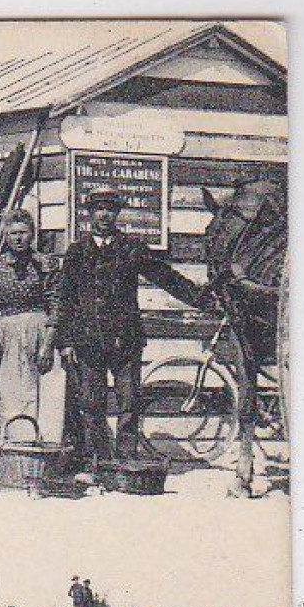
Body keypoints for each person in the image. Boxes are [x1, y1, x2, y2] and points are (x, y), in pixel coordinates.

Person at [53, 184, 208, 465]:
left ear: (118, 213)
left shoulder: (132, 248)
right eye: (99, 209)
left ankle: (126, 462)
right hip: (88, 343)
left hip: (126, 342)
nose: (104, 215)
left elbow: (165, 276)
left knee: (129, 405)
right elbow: (65, 300)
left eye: (110, 209)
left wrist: (200, 297)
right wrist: (64, 343)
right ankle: (99, 461)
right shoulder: (76, 252)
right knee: (92, 406)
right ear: (89, 214)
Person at [0, 209, 58, 438]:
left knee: (43, 389)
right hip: (6, 333)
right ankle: (11, 441)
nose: (18, 238)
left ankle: (41, 444)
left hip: (39, 331)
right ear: (6, 236)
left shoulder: (44, 263)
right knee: (9, 391)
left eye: (23, 232)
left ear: (32, 234)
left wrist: (48, 344)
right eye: (13, 234)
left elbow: (55, 303)